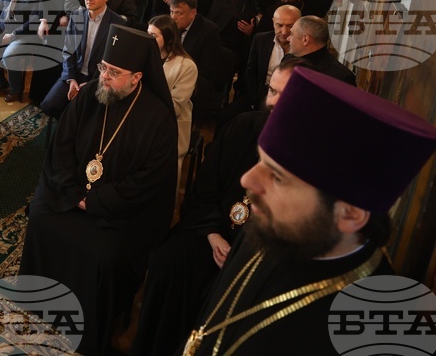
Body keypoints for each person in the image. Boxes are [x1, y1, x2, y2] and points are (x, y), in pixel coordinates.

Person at [185, 67, 436, 354]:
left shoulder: (383, 335)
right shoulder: (271, 226)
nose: (247, 180)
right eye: (261, 161)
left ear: (350, 213)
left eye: (279, 176)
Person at [131, 55, 307, 356]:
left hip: (254, 254)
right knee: (167, 262)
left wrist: (238, 250)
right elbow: (205, 186)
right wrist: (213, 234)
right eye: (272, 91)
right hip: (210, 230)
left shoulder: (308, 153)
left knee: (222, 296)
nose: (275, 102)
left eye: (286, 95)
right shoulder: (244, 126)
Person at [21, 25, 178, 355]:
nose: (104, 76)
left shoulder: (158, 117)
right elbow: (61, 147)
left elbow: (149, 180)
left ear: (136, 78)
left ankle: (86, 329)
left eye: (114, 72)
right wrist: (73, 192)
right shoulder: (90, 94)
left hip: (120, 212)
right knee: (39, 216)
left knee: (102, 256)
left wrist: (95, 201)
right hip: (73, 194)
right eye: (103, 67)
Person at [40, 0, 125, 119]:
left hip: (98, 80)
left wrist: (92, 84)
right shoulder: (76, 16)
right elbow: (68, 50)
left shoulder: (118, 24)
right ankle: (69, 129)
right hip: (74, 74)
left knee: (85, 115)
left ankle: (75, 131)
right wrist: (71, 79)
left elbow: (115, 63)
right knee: (48, 105)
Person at [147, 15, 197, 167]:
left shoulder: (186, 66)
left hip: (169, 128)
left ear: (168, 39)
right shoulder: (144, 56)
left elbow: (174, 106)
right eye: (147, 34)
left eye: (154, 36)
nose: (149, 40)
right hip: (144, 122)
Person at [170, 0, 221, 114]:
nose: (173, 17)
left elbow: (206, 70)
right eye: (171, 11)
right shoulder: (170, 25)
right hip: (170, 75)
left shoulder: (209, 32)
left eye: (179, 13)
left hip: (193, 82)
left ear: (193, 13)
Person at [207, 0, 259, 73]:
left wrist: (251, 30)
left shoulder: (250, 4)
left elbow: (252, 25)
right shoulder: (222, 0)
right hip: (219, 47)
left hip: (239, 51)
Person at [287, 15, 356, 85]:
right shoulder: (288, 59)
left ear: (305, 39)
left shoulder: (342, 77)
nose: (288, 38)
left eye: (291, 34)